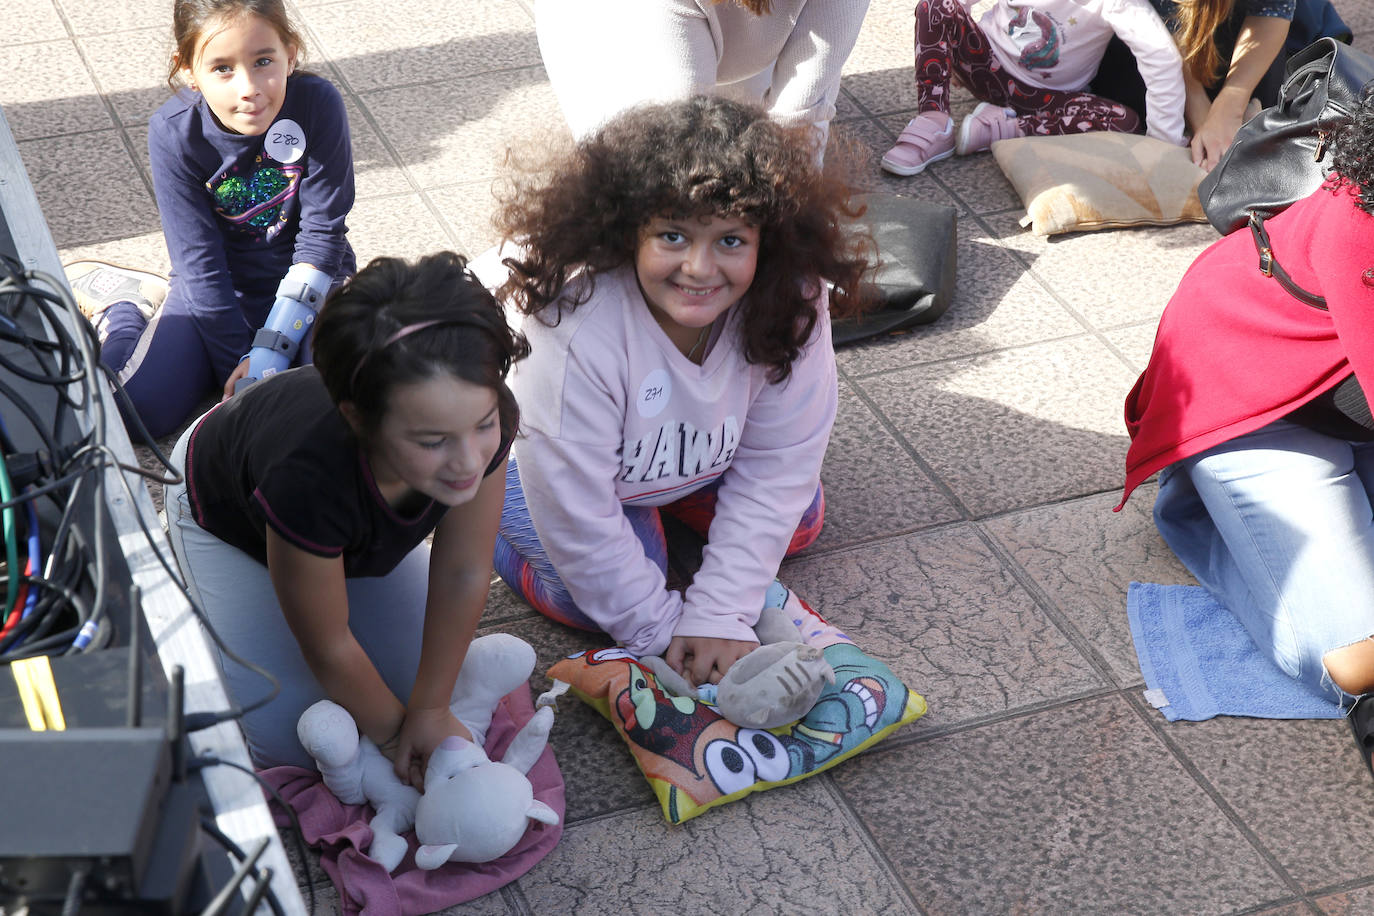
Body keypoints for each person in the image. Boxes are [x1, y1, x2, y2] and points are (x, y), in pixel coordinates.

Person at [491, 96, 870, 687]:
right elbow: (577, 508)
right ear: (626, 232)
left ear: (768, 241)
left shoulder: (792, 297)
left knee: (799, 520)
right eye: (672, 235)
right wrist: (662, 631)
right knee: (584, 601)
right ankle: (478, 517)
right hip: (550, 470)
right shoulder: (575, 326)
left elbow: (780, 460)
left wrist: (723, 613)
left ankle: (666, 516)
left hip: (682, 459)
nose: (698, 267)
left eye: (730, 241)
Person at [163, 252, 529, 780]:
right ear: (357, 417)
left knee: (414, 691)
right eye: (432, 441)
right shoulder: (307, 475)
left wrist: (428, 710)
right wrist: (393, 738)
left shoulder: (479, 415)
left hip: (342, 541)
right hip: (224, 519)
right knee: (295, 748)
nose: (470, 462)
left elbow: (466, 569)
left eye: (484, 425)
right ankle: (196, 591)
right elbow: (327, 643)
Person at [1119, 90, 1374, 773]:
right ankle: (1211, 516)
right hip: (1242, 394)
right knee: (1351, 655)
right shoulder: (1362, 223)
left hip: (1343, 399)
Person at [69, 0, 355, 439]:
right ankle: (126, 306)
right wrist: (239, 369)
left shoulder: (318, 103)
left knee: (336, 403)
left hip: (314, 284)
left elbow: (322, 235)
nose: (249, 88)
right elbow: (200, 264)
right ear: (187, 70)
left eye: (264, 61)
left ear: (291, 52)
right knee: (133, 411)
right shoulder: (173, 132)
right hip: (220, 290)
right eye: (222, 68)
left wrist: (266, 358)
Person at [881, 0, 1187, 176]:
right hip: (985, 63)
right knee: (935, 5)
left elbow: (1161, 58)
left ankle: (1001, 130)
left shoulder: (1120, 3)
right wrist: (950, 50)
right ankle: (934, 119)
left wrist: (1162, 144)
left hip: (1046, 100)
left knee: (1125, 120)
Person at [533, 0, 871, 150]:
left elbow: (796, 120)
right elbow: (682, 139)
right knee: (656, 184)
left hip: (747, 46)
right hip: (605, 24)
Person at [1092, 0, 1350, 171]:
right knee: (1132, 94)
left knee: (1259, 104)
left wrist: (1231, 105)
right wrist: (1198, 111)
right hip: (1148, 31)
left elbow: (1271, 13)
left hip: (1236, 22)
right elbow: (1155, 36)